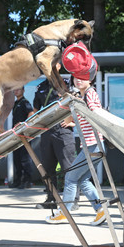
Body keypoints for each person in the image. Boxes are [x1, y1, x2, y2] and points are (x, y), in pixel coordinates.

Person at [46, 76, 106, 226]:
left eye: (82, 78)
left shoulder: (90, 93)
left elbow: (94, 114)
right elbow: (87, 117)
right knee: (82, 179)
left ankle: (65, 213)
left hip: (93, 144)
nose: (78, 81)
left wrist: (73, 116)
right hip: (91, 145)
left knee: (71, 178)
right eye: (76, 79)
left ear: (90, 80)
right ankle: (101, 210)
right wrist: (73, 119)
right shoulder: (84, 95)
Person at [33, 68, 77, 209]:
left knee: (68, 167)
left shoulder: (66, 85)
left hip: (64, 132)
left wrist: (73, 123)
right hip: (47, 132)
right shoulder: (41, 87)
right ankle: (52, 199)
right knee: (48, 168)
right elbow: (36, 111)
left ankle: (73, 200)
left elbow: (77, 105)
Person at [10, 87, 34, 189]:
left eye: (18, 89)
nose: (16, 91)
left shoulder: (25, 102)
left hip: (24, 134)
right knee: (17, 158)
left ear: (23, 91)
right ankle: (18, 180)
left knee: (25, 159)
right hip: (16, 135)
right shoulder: (15, 103)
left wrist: (24, 125)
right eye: (15, 90)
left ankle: (27, 181)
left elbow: (31, 113)